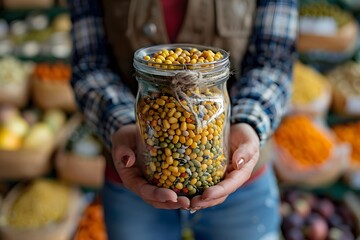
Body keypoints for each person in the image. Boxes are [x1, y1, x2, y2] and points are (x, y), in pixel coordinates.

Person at [68, 0, 298, 239]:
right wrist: (124, 124)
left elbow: (274, 62)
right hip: (133, 175)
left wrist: (248, 121)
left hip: (240, 179)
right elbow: (90, 66)